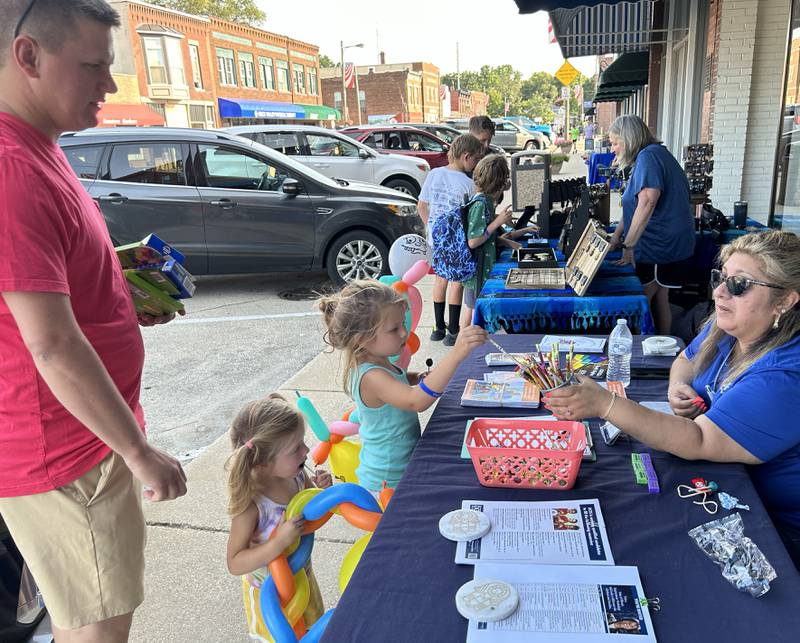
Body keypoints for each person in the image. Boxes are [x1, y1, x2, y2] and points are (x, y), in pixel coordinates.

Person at [0, 2, 188, 641]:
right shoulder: (11, 168)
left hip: (82, 439)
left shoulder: (41, 146)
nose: (110, 85)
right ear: (29, 56)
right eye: (93, 67)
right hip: (68, 453)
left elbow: (48, 290)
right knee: (97, 633)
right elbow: (50, 345)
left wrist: (120, 297)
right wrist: (137, 453)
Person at [543, 230, 800, 568]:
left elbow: (700, 439)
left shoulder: (786, 377)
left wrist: (604, 404)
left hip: (774, 530)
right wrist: (677, 385)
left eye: (739, 285)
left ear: (785, 301)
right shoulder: (731, 326)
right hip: (727, 484)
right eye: (720, 278)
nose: (720, 292)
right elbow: (686, 359)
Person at [319, 280, 488, 494]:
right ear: (363, 339)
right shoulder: (370, 375)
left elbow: (397, 380)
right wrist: (455, 354)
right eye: (394, 329)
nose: (403, 333)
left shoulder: (378, 361)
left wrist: (416, 377)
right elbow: (415, 401)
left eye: (402, 324)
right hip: (387, 480)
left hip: (400, 468)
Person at [225, 393, 333, 641]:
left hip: (301, 576)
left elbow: (308, 508)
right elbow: (234, 562)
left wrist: (321, 493)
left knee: (312, 634)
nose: (306, 450)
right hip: (270, 596)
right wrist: (277, 543)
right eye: (296, 448)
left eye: (302, 442)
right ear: (262, 463)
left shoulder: (294, 474)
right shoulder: (251, 504)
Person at [607, 114, 695, 335]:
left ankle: (642, 353)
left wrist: (628, 246)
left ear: (629, 139)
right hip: (667, 242)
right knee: (659, 300)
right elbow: (633, 205)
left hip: (659, 245)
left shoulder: (649, 158)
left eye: (615, 143)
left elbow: (647, 201)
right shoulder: (652, 156)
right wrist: (617, 236)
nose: (613, 149)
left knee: (640, 302)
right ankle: (662, 349)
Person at [417, 133, 484, 345]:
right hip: (457, 242)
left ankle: (438, 328)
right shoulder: (468, 184)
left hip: (436, 239)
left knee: (440, 279)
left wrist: (431, 228)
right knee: (457, 282)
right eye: (475, 160)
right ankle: (453, 331)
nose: (475, 165)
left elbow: (422, 206)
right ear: (466, 157)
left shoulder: (434, 174)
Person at [460, 154, 514, 330]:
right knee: (473, 310)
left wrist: (503, 241)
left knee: (475, 308)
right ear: (497, 185)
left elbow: (486, 235)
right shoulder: (480, 204)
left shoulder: (485, 202)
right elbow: (474, 241)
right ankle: (465, 345)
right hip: (477, 271)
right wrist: (497, 223)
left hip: (482, 268)